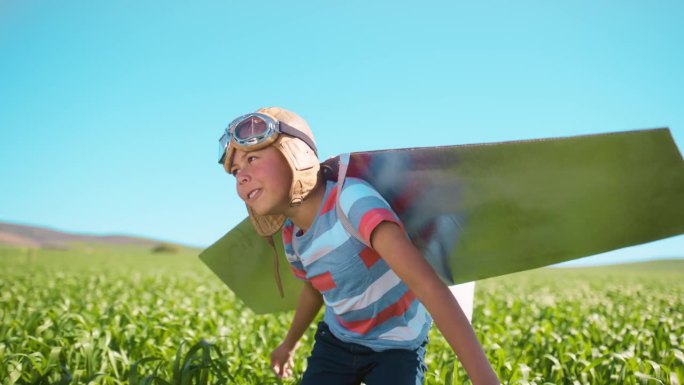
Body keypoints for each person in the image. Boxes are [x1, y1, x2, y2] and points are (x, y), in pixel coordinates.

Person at [218, 106, 500, 385]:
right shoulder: (291, 236)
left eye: (252, 158)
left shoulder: (351, 201)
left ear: (295, 153)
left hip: (397, 346)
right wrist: (288, 344)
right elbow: (314, 289)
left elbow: (425, 284)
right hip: (337, 343)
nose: (241, 176)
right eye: (235, 171)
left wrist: (484, 378)